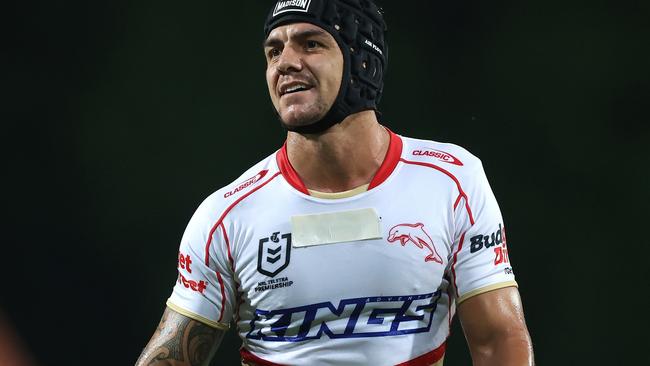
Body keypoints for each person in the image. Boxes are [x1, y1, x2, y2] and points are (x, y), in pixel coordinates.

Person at [136, 0, 534, 365]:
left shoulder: (452, 182)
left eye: (310, 44)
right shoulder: (226, 217)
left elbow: (498, 339)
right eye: (274, 51)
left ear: (362, 61)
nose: (285, 63)